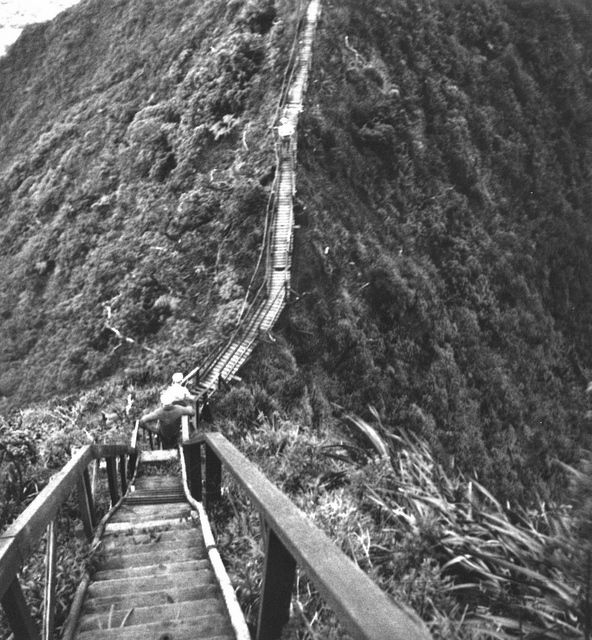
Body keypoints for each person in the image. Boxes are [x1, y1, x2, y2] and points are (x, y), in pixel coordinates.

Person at [139, 373, 197, 448]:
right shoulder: (179, 409)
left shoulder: (158, 412)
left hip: (163, 434)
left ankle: (161, 441)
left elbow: (142, 421)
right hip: (175, 433)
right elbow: (192, 412)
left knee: (162, 432)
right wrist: (189, 407)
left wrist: (155, 430)